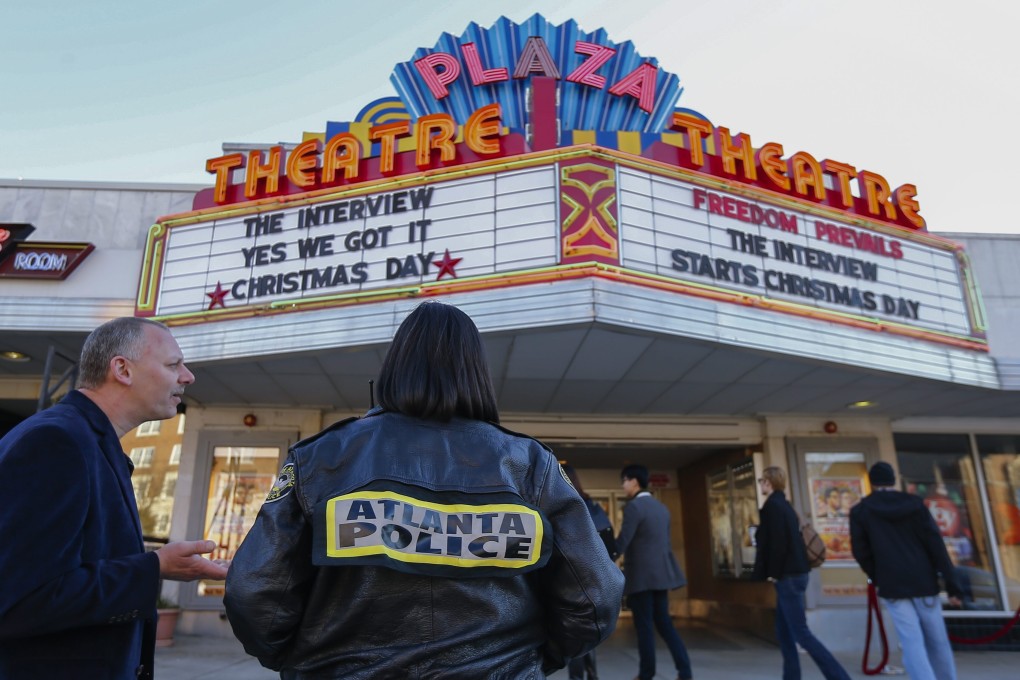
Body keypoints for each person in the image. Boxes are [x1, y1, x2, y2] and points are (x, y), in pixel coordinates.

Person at [223, 301, 624, 678]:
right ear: (476, 373)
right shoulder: (530, 465)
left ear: (394, 368)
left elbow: (255, 592)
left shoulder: (321, 457)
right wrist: (531, 659)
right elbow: (595, 596)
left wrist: (300, 661)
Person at [0, 317, 229, 680]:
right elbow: (21, 600)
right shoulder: (55, 442)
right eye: (173, 365)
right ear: (122, 369)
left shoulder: (88, 441)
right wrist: (155, 568)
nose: (188, 377)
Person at [850, 462, 963, 680]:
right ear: (893, 480)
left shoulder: (861, 510)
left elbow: (861, 552)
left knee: (911, 640)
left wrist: (878, 574)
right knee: (937, 639)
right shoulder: (915, 504)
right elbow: (935, 545)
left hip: (892, 583)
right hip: (924, 580)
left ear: (871, 482)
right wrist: (952, 585)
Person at [752, 466, 851, 680]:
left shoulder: (772, 507)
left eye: (762, 480)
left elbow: (778, 545)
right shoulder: (785, 506)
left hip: (787, 576)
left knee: (801, 633)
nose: (761, 484)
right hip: (797, 574)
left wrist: (774, 573)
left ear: (769, 482)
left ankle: (839, 676)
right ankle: (791, 676)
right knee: (784, 632)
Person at [616, 463, 694, 680]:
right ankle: (685, 671)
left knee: (644, 628)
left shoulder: (633, 508)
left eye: (624, 481)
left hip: (641, 577)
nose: (623, 486)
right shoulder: (662, 508)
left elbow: (623, 541)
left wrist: (603, 557)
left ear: (633, 481)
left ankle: (646, 673)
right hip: (661, 577)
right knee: (665, 625)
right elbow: (664, 544)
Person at [562, 463, 619, 680]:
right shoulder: (593, 506)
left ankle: (578, 677)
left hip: (571, 580)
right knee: (586, 630)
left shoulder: (567, 506)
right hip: (594, 581)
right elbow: (610, 546)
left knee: (574, 632)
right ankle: (592, 674)